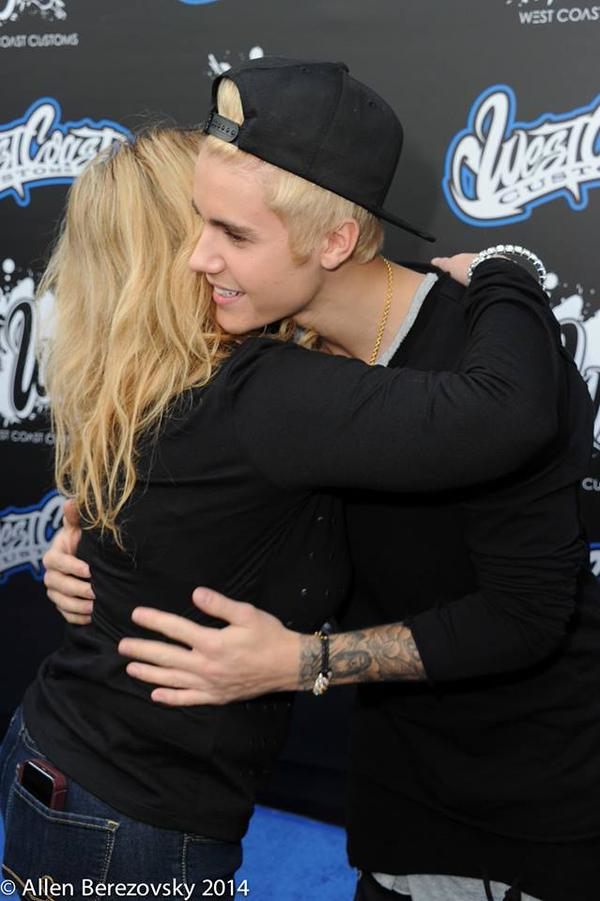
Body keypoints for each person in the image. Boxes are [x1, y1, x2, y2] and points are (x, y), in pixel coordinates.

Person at [45, 60, 600, 901]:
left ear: (334, 241)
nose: (196, 256)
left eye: (234, 235)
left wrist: (303, 661)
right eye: (198, 221)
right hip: (392, 802)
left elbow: (526, 616)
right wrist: (84, 545)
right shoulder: (276, 354)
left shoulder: (486, 359)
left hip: (525, 814)